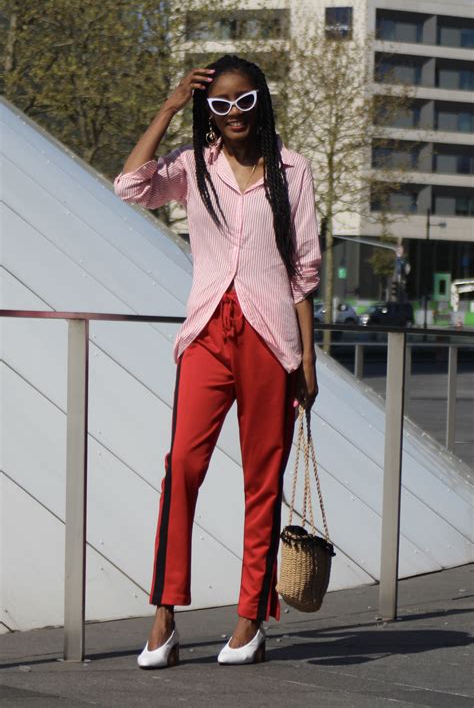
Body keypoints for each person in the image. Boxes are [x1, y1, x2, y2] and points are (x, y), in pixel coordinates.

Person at [114, 54, 321, 668]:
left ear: (261, 101)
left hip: (270, 340)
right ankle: (164, 615)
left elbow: (302, 272)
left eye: (244, 101)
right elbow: (130, 187)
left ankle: (249, 618)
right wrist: (172, 105)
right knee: (181, 466)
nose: (233, 113)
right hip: (207, 332)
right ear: (210, 111)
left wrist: (306, 361)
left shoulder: (293, 170)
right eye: (220, 104)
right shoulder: (192, 166)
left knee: (262, 480)